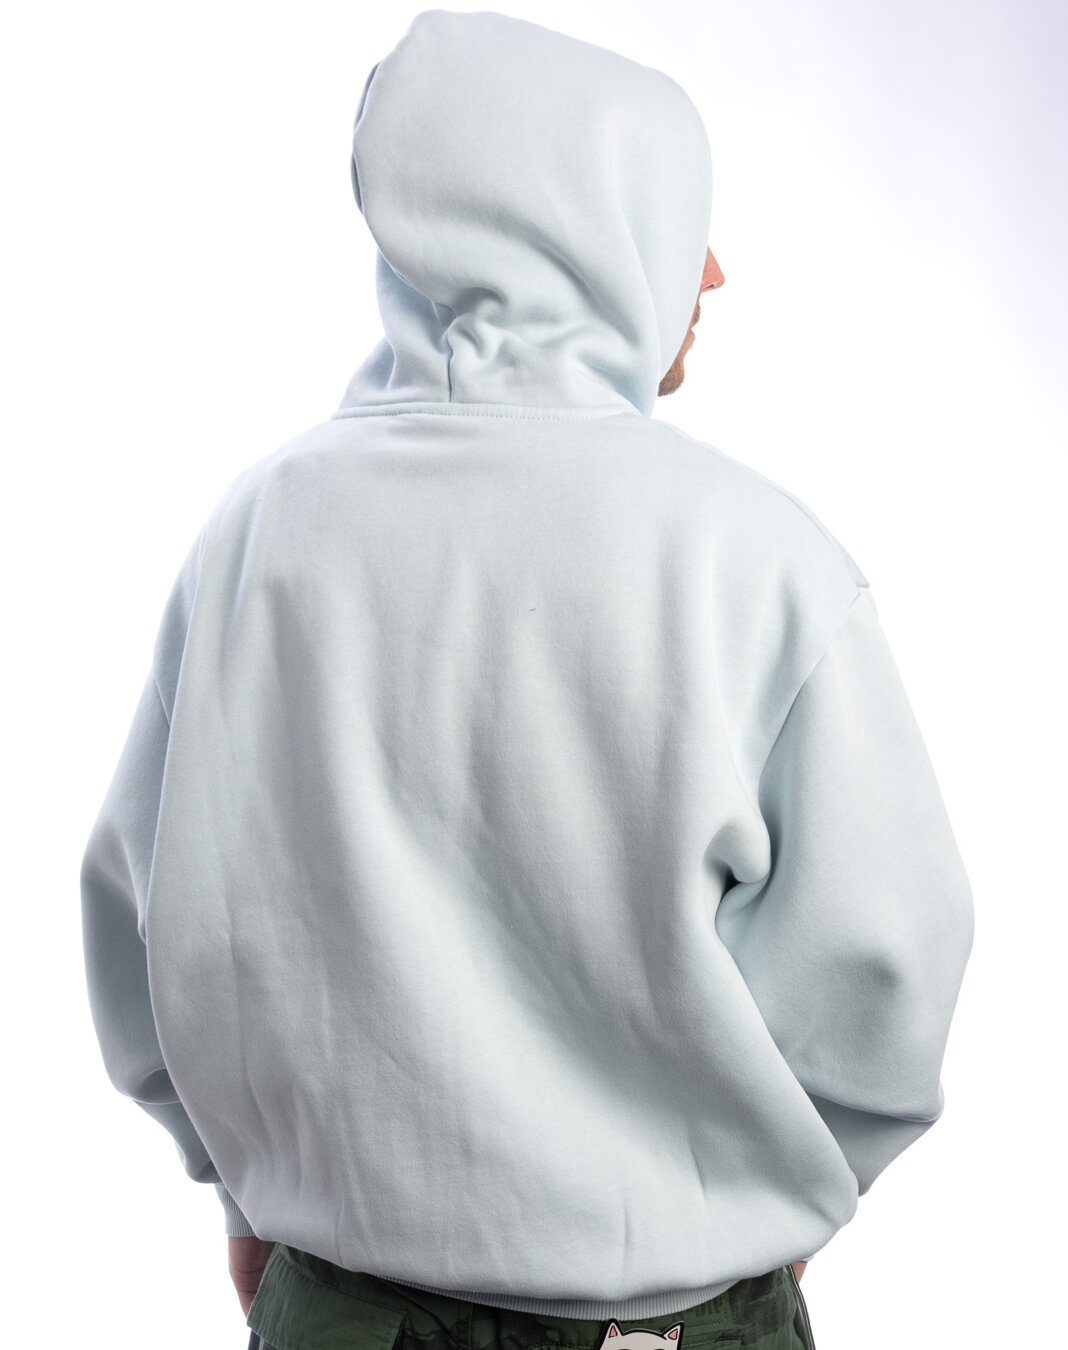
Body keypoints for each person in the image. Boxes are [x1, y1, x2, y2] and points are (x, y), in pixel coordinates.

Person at [80, 10, 974, 1350]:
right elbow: (885, 966)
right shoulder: (756, 559)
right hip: (668, 1324)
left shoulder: (257, 535)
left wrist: (249, 1184)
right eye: (677, 215)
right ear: (578, 222)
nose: (712, 270)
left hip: (342, 1311)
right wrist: (745, 1200)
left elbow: (150, 920)